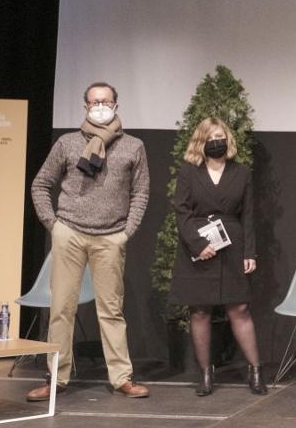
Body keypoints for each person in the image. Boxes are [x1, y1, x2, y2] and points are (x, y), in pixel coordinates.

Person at [27, 82, 150, 400]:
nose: (100, 106)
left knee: (111, 310)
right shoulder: (67, 143)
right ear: (85, 107)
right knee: (61, 309)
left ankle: (122, 378)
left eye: (105, 101)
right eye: (94, 102)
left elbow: (140, 193)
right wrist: (53, 225)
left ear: (116, 106)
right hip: (69, 233)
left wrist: (126, 232)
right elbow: (41, 184)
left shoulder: (133, 146)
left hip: (110, 236)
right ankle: (56, 378)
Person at [169, 118, 266, 396]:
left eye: (220, 137)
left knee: (239, 309)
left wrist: (249, 252)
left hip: (233, 245)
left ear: (228, 140)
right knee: (200, 310)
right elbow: (182, 211)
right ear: (201, 141)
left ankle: (255, 371)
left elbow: (248, 214)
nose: (216, 142)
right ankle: (205, 374)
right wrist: (198, 244)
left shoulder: (242, 172)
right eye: (211, 138)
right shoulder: (189, 171)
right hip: (198, 247)